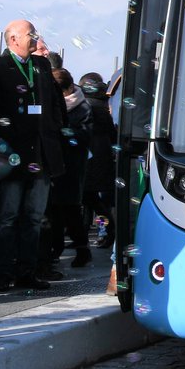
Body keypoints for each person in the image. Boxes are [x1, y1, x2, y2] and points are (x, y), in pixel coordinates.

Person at [0, 20, 65, 291]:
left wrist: (56, 137)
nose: (36, 38)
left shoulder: (40, 66)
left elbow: (54, 105)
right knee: (8, 216)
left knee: (34, 216)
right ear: (13, 38)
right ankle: (3, 273)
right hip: (11, 152)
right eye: (31, 34)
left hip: (41, 151)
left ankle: (28, 270)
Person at [46, 68, 92, 269]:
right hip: (56, 161)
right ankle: (55, 249)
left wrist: (64, 131)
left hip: (73, 163)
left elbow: (85, 135)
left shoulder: (82, 106)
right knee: (54, 208)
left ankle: (83, 249)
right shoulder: (53, 104)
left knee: (70, 207)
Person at [80, 72, 116, 250]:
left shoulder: (86, 105)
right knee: (93, 199)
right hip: (102, 154)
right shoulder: (102, 104)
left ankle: (105, 233)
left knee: (90, 199)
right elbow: (112, 133)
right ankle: (94, 234)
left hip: (90, 157)